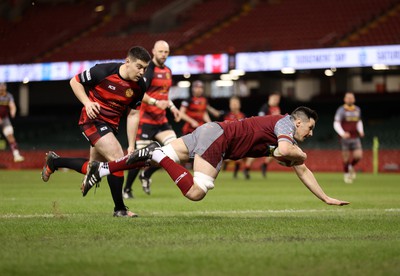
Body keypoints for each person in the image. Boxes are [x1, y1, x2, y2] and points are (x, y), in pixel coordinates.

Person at [82, 106, 350, 208]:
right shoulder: (285, 124)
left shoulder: (284, 134)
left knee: (150, 158)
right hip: (218, 138)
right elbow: (288, 151)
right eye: (310, 127)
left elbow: (299, 166)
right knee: (196, 193)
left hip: (212, 131)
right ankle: (158, 155)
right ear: (299, 122)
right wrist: (300, 153)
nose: (311, 133)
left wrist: (325, 197)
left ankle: (102, 170)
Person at [40, 46, 151, 217]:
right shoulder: (103, 71)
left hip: (110, 127)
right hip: (91, 121)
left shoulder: (140, 86)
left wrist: (131, 145)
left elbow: (133, 114)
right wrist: (87, 103)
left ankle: (54, 162)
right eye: (139, 66)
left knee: (94, 168)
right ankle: (120, 209)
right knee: (117, 159)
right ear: (127, 62)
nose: (142, 71)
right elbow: (74, 81)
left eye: (145, 68)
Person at [122, 40, 181, 199]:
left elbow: (164, 95)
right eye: (160, 51)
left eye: (166, 52)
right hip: (146, 120)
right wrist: (156, 102)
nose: (163, 55)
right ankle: (127, 189)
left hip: (161, 121)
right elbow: (140, 93)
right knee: (139, 157)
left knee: (176, 153)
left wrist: (172, 107)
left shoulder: (168, 71)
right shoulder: (148, 70)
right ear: (153, 51)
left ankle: (146, 174)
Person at [333, 92, 364, 184]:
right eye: (348, 98)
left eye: (351, 98)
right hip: (345, 138)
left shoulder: (357, 109)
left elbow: (359, 122)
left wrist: (361, 130)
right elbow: (336, 123)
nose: (350, 99)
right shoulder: (341, 110)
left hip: (355, 136)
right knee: (345, 158)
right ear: (345, 99)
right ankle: (346, 174)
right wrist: (342, 133)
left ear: (354, 99)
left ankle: (351, 166)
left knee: (358, 156)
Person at [220, 96, 247, 178]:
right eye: (232, 103)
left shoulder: (243, 116)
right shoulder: (226, 116)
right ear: (230, 105)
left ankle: (240, 170)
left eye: (236, 103)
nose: (234, 105)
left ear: (239, 104)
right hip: (228, 140)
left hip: (240, 140)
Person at [0, 82, 24, 162]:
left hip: (5, 119)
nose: (2, 88)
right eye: (0, 86)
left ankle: (16, 155)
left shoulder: (8, 96)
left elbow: (12, 106)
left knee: (10, 135)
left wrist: (13, 112)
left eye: (3, 86)